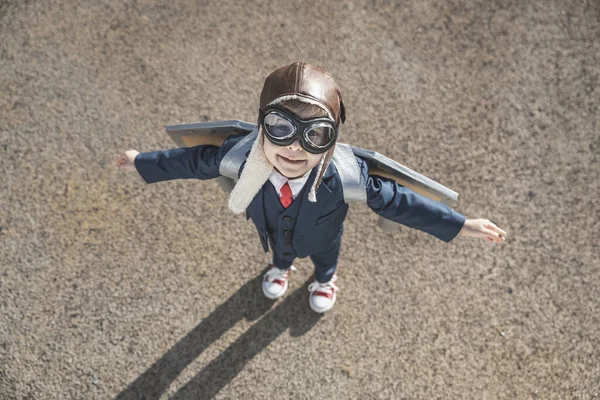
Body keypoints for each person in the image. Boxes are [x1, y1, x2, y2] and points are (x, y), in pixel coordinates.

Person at [115, 62, 506, 313]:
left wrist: (461, 224)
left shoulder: (347, 176)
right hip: (272, 229)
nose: (294, 147)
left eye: (315, 135)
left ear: (332, 141)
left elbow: (399, 201)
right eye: (281, 128)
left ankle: (324, 278)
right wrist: (142, 162)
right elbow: (194, 161)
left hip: (322, 235)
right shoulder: (239, 156)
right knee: (281, 253)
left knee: (324, 257)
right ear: (261, 126)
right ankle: (281, 269)